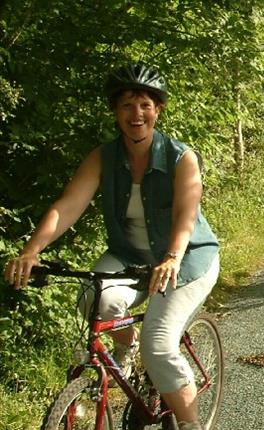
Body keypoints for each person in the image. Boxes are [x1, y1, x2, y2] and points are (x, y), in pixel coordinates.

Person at [3, 64, 220, 430]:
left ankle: (190, 423)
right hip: (131, 258)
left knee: (160, 346)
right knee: (94, 300)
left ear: (158, 109)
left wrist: (171, 257)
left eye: (144, 105)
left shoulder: (181, 158)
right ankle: (128, 348)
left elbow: (186, 215)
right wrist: (32, 249)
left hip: (186, 261)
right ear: (115, 112)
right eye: (126, 106)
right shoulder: (103, 157)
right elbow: (68, 205)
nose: (136, 114)